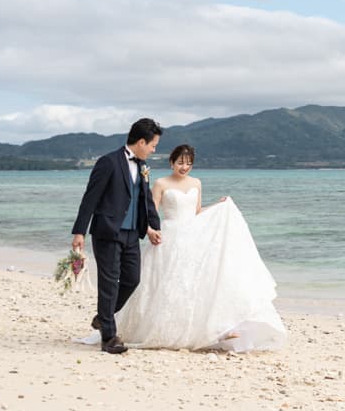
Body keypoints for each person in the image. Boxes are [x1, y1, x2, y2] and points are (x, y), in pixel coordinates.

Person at [105, 143, 287, 352]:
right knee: (167, 285)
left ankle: (209, 328)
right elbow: (148, 212)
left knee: (195, 284)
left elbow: (198, 210)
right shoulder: (161, 183)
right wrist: (149, 230)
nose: (184, 167)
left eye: (189, 164)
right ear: (172, 162)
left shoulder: (196, 183)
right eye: (181, 163)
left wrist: (219, 206)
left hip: (193, 237)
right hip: (169, 238)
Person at [71, 117, 164, 354]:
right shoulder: (108, 162)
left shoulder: (142, 167)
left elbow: (144, 200)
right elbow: (90, 198)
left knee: (132, 280)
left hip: (133, 233)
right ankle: (109, 338)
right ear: (141, 142)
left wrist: (153, 226)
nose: (154, 150)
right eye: (153, 145)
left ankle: (104, 317)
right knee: (109, 282)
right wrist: (79, 231)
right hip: (107, 232)